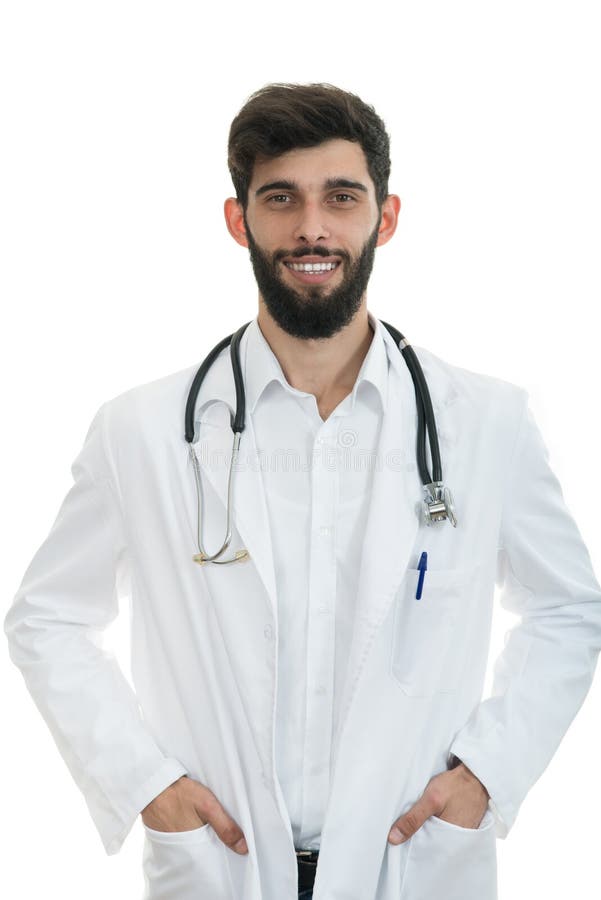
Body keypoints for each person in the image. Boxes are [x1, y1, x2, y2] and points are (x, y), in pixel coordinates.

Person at [4, 82, 601, 900]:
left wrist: (488, 773)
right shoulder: (140, 432)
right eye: (280, 198)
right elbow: (47, 619)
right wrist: (144, 782)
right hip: (219, 863)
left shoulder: (485, 423)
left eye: (340, 198)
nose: (311, 228)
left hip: (414, 859)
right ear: (238, 219)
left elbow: (568, 608)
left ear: (384, 219)